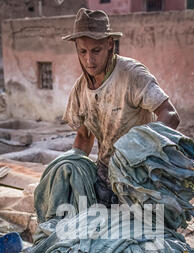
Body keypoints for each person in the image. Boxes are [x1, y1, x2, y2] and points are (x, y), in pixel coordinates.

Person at [62, 8, 180, 207]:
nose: (89, 60)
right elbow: (84, 136)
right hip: (106, 175)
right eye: (83, 51)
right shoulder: (80, 88)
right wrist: (72, 167)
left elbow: (170, 115)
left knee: (144, 233)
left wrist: (138, 152)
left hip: (141, 177)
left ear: (110, 44)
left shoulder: (131, 74)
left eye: (96, 51)